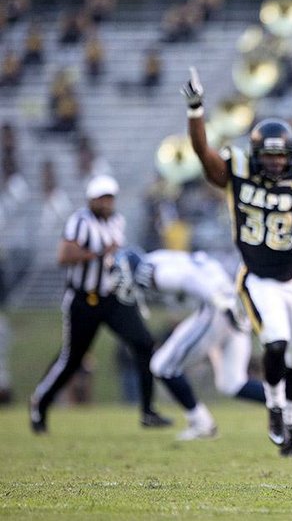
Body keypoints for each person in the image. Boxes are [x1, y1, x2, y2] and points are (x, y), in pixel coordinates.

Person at [181, 67, 292, 457]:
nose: (273, 163)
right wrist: (196, 110)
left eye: (279, 156)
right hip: (258, 278)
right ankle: (274, 408)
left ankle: (291, 422)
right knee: (276, 341)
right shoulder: (238, 172)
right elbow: (203, 153)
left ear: (290, 155)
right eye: (267, 155)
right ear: (255, 154)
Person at [116, 248, 292, 441]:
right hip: (233, 305)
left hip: (218, 309)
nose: (119, 282)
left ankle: (200, 422)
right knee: (231, 382)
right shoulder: (158, 258)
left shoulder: (157, 272)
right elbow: (204, 262)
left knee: (161, 365)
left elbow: (190, 279)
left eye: (119, 275)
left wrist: (220, 300)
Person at [29, 175, 172, 434]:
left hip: (113, 297)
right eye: (102, 198)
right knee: (73, 359)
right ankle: (40, 403)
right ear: (91, 199)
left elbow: (116, 257)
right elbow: (64, 255)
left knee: (143, 344)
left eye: (110, 198)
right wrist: (97, 254)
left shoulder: (117, 220)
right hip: (84, 299)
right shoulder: (79, 222)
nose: (107, 203)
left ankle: (148, 412)